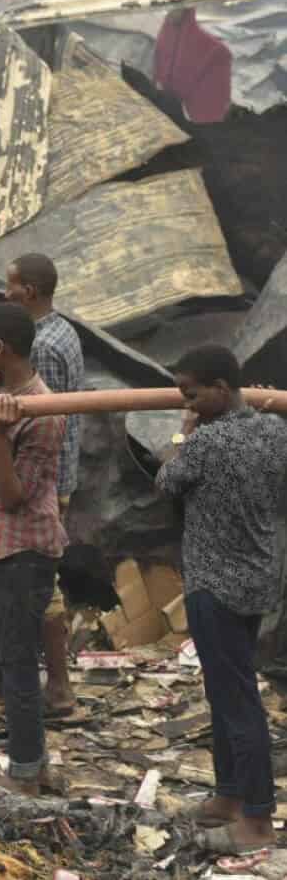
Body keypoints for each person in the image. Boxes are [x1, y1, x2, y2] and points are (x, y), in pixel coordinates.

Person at [156, 346, 287, 855]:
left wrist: (183, 434)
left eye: (192, 395)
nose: (187, 404)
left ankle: (256, 819)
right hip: (257, 581)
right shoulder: (274, 430)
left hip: (213, 586)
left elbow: (166, 482)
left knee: (237, 701)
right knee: (227, 691)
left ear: (221, 388)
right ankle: (229, 795)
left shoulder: (207, 442)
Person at [0, 254, 83, 714]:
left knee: (39, 598)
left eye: (10, 284)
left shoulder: (40, 352)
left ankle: (53, 690)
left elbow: (30, 436)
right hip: (26, 489)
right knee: (17, 605)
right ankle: (5, 672)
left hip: (35, 492)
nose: (5, 291)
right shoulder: (57, 333)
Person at [0, 302, 67, 797]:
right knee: (5, 659)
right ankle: (33, 762)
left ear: (0, 347)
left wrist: (0, 435)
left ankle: (24, 773)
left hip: (25, 550)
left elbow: (13, 496)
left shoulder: (41, 411)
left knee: (19, 663)